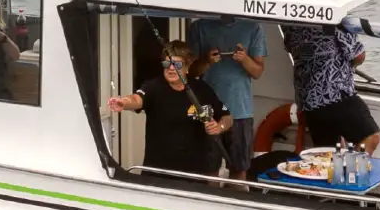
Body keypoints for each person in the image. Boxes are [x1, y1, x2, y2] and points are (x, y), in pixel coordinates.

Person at [105, 42, 231, 178]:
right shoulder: (154, 87)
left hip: (195, 174)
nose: (171, 68)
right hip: (158, 173)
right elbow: (136, 99)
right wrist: (123, 102)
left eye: (177, 65)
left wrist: (219, 127)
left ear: (188, 67)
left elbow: (227, 117)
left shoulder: (202, 89)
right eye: (166, 64)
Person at [281, 19, 380, 151]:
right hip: (335, 94)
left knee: (328, 154)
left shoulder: (291, 20)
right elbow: (358, 55)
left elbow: (290, 46)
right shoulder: (334, 17)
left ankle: (341, 170)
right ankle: (354, 171)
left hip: (309, 99)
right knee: (371, 136)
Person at [188, 12, 266, 176]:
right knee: (209, 170)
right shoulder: (200, 26)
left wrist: (244, 59)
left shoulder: (253, 27)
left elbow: (258, 72)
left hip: (240, 110)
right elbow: (191, 71)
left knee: (239, 170)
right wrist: (207, 61)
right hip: (207, 111)